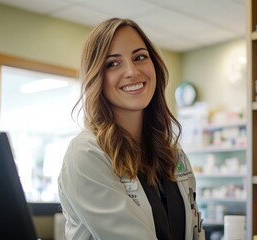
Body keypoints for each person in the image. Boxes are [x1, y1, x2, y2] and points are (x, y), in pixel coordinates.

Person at [58, 18, 205, 240]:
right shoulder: (87, 155)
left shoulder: (172, 155)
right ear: (97, 76)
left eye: (139, 57)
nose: (132, 71)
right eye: (113, 63)